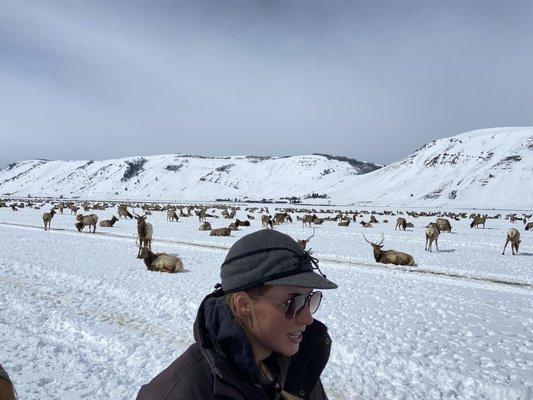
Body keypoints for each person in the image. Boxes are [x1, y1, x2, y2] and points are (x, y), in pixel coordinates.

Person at [137, 229, 338, 400]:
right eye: (293, 302)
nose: (308, 319)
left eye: (309, 299)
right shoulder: (181, 393)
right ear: (243, 304)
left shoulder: (299, 365)